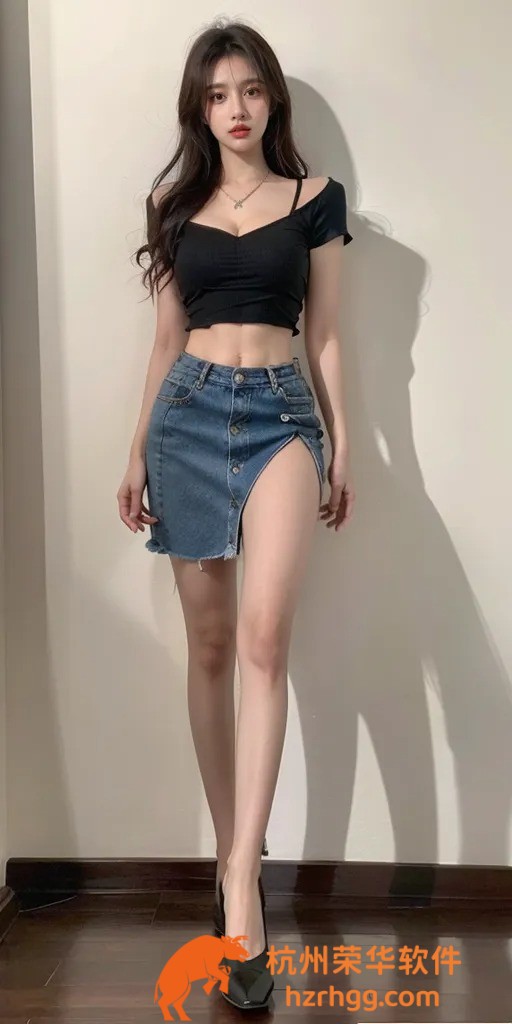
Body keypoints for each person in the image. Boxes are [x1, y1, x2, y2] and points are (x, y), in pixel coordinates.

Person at [117, 18, 355, 1011]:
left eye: (251, 89)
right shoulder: (174, 207)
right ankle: (233, 858)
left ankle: (239, 884)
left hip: (280, 419)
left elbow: (327, 334)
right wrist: (137, 447)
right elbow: (165, 340)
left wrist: (342, 440)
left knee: (264, 641)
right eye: (217, 94)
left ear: (271, 98)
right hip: (187, 416)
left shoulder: (315, 200)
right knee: (210, 648)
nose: (237, 108)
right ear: (199, 109)